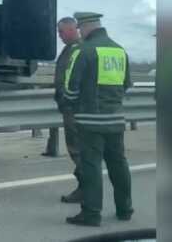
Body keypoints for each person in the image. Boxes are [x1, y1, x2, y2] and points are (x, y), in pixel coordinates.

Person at [64, 12, 134, 227]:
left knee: (91, 166)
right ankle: (125, 209)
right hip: (115, 118)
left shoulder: (83, 51)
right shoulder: (119, 50)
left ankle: (91, 213)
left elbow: (70, 88)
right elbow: (126, 84)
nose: (79, 32)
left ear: (85, 27)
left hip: (90, 121)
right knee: (118, 163)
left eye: (79, 28)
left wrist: (73, 105)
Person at [48, 17, 83, 203]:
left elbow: (73, 80)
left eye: (61, 32)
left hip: (74, 108)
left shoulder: (78, 50)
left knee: (77, 148)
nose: (59, 36)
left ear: (71, 30)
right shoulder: (71, 48)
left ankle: (86, 189)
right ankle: (87, 187)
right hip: (71, 106)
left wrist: (67, 99)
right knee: (77, 148)